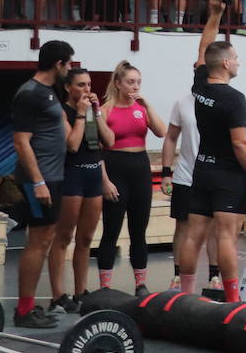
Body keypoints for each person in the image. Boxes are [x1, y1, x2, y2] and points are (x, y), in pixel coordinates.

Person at [177, 0, 246, 302]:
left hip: (202, 170)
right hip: (229, 175)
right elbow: (241, 144)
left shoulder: (200, 86)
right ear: (228, 63)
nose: (239, 62)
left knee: (193, 235)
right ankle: (233, 301)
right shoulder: (234, 98)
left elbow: (204, 48)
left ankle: (185, 297)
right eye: (237, 58)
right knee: (227, 237)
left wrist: (215, 14)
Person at [162, 0, 227, 293]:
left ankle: (214, 275)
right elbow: (171, 137)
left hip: (213, 175)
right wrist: (166, 171)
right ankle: (179, 275)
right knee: (184, 227)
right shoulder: (184, 102)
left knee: (213, 228)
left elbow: (205, 49)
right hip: (187, 175)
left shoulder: (222, 97)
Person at [12, 40, 76, 327]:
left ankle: (29, 307)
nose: (71, 68)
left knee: (46, 238)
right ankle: (24, 311)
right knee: (38, 241)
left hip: (52, 177)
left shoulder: (48, 93)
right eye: (69, 63)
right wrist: (38, 182)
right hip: (39, 180)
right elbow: (21, 142)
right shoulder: (30, 94)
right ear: (58, 64)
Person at [95, 61, 166, 295]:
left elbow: (162, 131)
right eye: (130, 82)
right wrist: (105, 180)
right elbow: (98, 148)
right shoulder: (106, 110)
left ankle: (140, 284)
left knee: (139, 229)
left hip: (140, 167)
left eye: (138, 82)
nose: (135, 86)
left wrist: (147, 104)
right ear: (118, 83)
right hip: (115, 168)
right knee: (111, 229)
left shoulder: (141, 108)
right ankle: (105, 285)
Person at [46, 68, 113, 315]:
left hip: (93, 175)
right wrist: (82, 114)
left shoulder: (92, 111)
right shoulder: (61, 112)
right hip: (71, 176)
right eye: (81, 85)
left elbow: (110, 140)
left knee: (85, 239)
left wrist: (97, 112)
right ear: (67, 87)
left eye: (89, 84)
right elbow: (72, 145)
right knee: (63, 237)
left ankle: (81, 291)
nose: (87, 89)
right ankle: (57, 295)